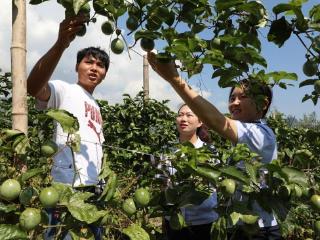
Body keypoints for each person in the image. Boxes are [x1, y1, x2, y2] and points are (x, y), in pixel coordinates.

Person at [147, 52, 282, 240]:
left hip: (259, 229)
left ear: (263, 104)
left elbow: (217, 121)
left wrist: (175, 79)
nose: (234, 103)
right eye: (232, 98)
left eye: (242, 97)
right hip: (240, 227)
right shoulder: (244, 140)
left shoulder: (260, 135)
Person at [27, 15, 109, 240]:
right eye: (89, 62)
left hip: (93, 190)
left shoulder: (97, 106)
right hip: (65, 188)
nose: (94, 68)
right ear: (77, 66)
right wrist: (60, 45)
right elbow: (33, 87)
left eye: (100, 65)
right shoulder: (64, 89)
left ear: (105, 74)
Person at [160, 103, 218, 240]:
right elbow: (162, 183)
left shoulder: (210, 152)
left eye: (189, 115)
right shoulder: (167, 151)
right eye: (180, 115)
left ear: (200, 122)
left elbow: (217, 183)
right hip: (174, 220)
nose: (183, 119)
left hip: (203, 221)